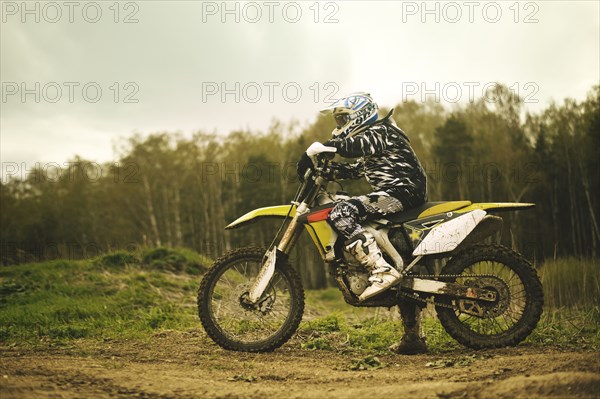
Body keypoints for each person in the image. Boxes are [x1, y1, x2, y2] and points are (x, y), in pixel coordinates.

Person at [297, 92, 429, 354]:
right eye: (339, 119)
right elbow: (356, 168)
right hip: (393, 194)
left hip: (402, 192)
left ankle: (381, 271)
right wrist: (321, 170)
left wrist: (324, 146)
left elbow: (354, 147)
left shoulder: (383, 131)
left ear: (360, 114)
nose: (340, 124)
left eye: (344, 118)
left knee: (341, 212)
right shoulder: (374, 140)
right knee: (401, 260)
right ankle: (413, 337)